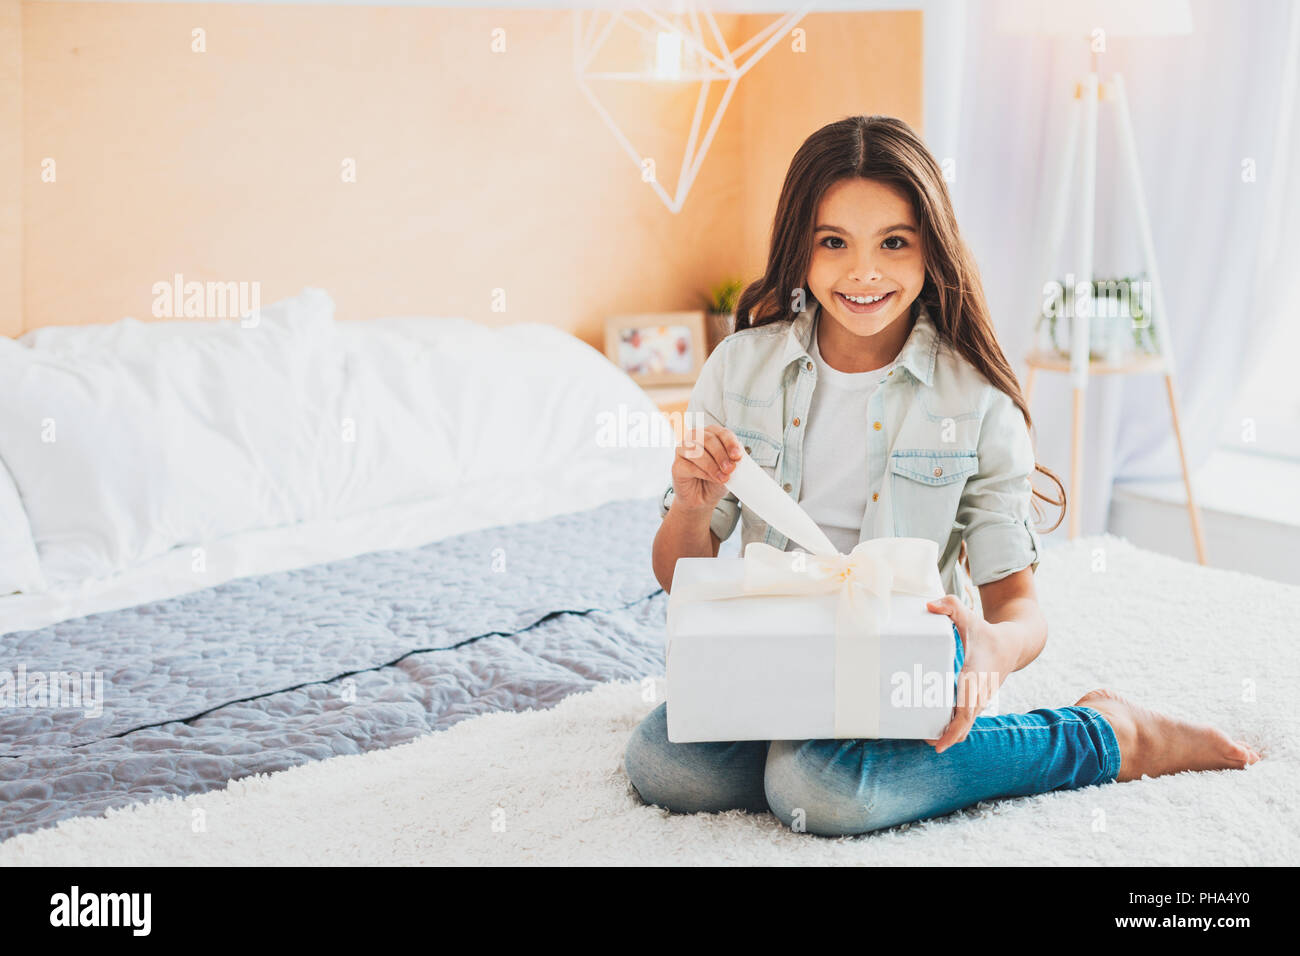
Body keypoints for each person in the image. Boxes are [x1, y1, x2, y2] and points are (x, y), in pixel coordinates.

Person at [627, 115, 1260, 837]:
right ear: (798, 248)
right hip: (781, 638)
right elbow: (681, 577)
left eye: (894, 242)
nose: (864, 272)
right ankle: (799, 737)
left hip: (910, 646)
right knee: (664, 764)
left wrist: (994, 647)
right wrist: (689, 507)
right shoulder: (738, 370)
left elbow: (1019, 607)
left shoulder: (976, 400)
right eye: (833, 242)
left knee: (824, 789)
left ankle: (1105, 733)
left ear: (932, 249)